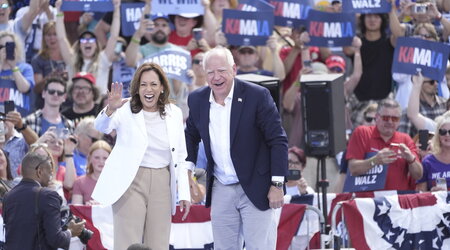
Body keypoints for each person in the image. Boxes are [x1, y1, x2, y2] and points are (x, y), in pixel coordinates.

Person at [184, 47, 288, 249]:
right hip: (221, 186)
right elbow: (190, 136)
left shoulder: (258, 96)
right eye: (211, 72)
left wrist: (277, 185)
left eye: (221, 70)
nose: (216, 77)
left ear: (234, 69)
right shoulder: (197, 100)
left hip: (258, 185)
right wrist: (185, 172)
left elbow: (278, 141)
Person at [92, 62, 191, 249]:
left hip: (163, 181)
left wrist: (184, 193)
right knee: (128, 243)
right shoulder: (124, 108)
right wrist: (110, 109)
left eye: (154, 84)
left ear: (162, 87)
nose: (149, 89)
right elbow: (101, 127)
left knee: (159, 243)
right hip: (130, 181)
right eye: (143, 84)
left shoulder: (174, 113)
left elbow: (181, 157)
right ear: (137, 88)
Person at [2, 151, 85, 249]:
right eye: (50, 173)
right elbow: (56, 239)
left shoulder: (8, 196)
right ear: (39, 171)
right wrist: (71, 232)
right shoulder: (48, 195)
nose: (51, 178)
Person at [346, 98, 423, 190]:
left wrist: (411, 159)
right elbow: (353, 169)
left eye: (394, 119)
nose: (390, 122)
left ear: (399, 121)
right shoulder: (362, 133)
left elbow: (418, 175)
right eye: (386, 118)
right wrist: (375, 160)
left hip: (397, 200)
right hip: (368, 200)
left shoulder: (405, 139)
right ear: (377, 117)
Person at [0, 31, 35, 116]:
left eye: (9, 46)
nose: (5, 49)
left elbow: (24, 88)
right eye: (1, 47)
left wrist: (13, 67)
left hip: (19, 119)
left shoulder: (25, 68)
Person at [416, 114, 450, 191]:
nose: (447, 135)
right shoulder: (428, 161)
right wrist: (431, 193)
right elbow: (421, 193)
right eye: (443, 132)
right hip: (437, 202)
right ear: (438, 135)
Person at [72, 140, 111, 205]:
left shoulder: (117, 183)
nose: (101, 161)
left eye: (105, 158)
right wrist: (88, 207)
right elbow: (76, 209)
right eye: (97, 158)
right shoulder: (80, 182)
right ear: (90, 158)